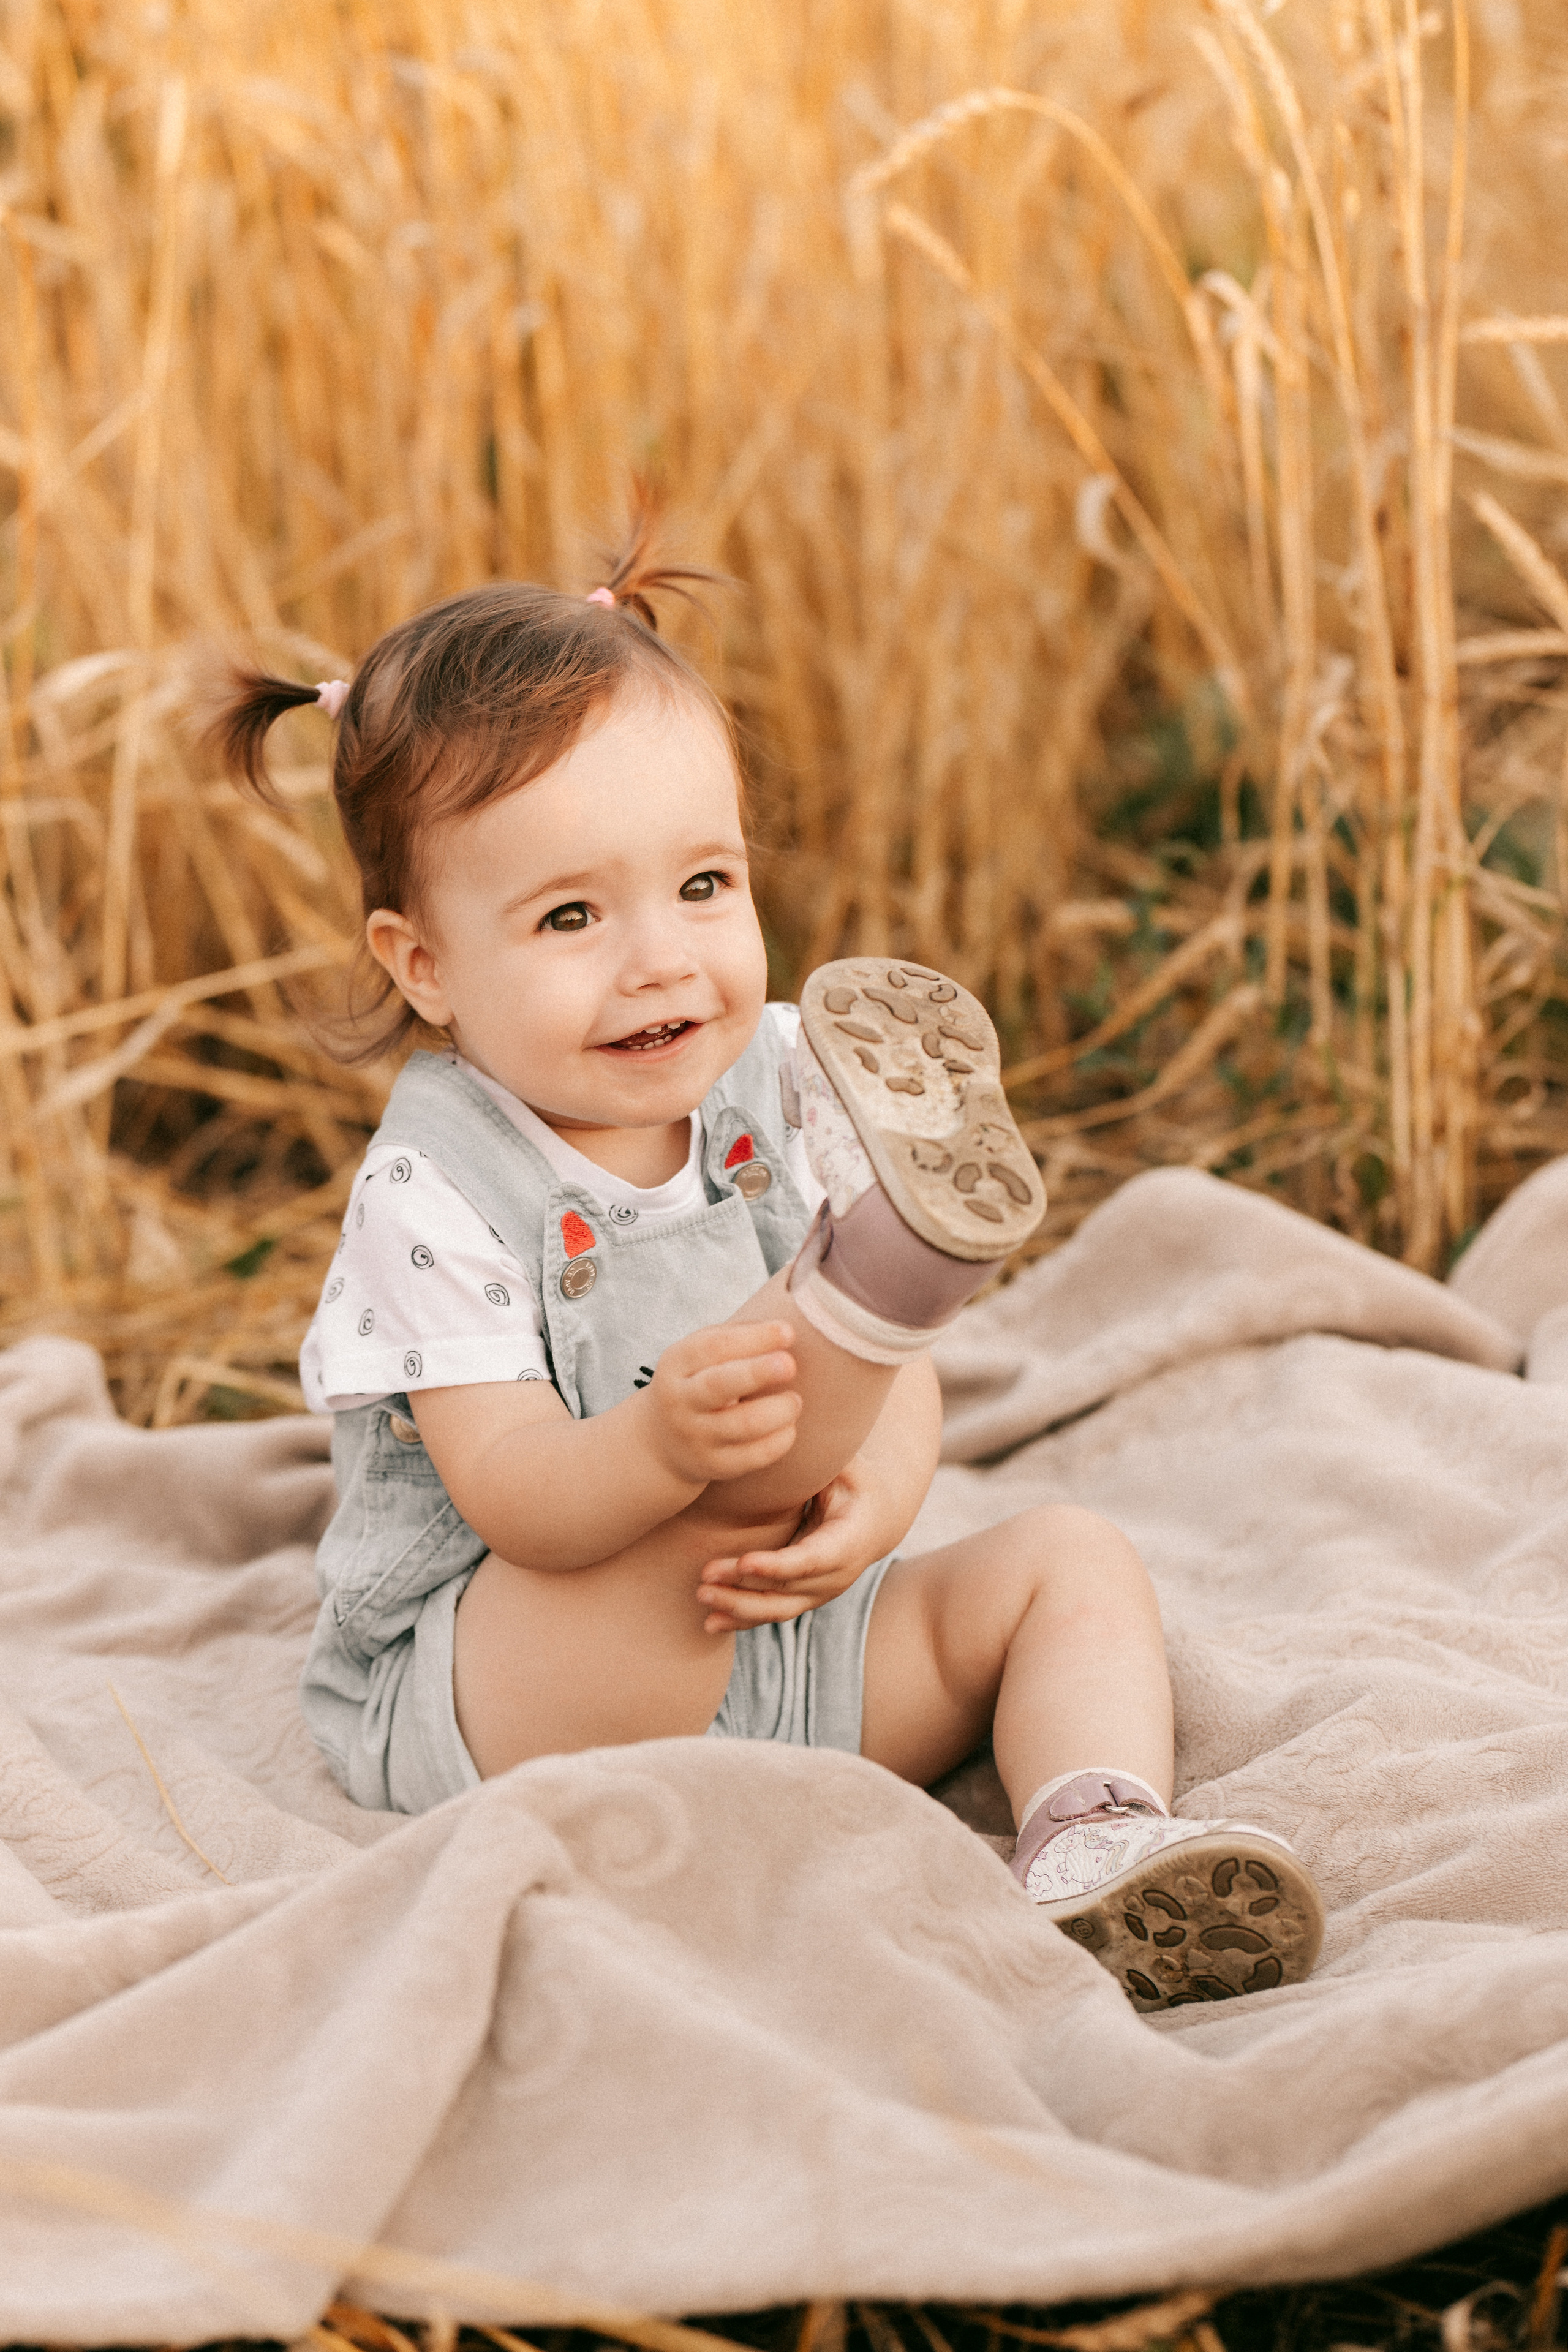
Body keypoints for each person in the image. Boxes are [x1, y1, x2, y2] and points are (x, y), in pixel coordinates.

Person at [205, 527, 1324, 2012]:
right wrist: (663, 1446)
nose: (659, 959)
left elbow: (891, 1405)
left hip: (802, 1644)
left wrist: (879, 1500)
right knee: (713, 1490)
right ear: (423, 967)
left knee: (1070, 1563)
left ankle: (1090, 1844)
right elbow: (514, 1496)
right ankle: (892, 1265)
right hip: (528, 1667)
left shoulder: (773, 1080)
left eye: (703, 884)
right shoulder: (438, 1189)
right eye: (569, 917)